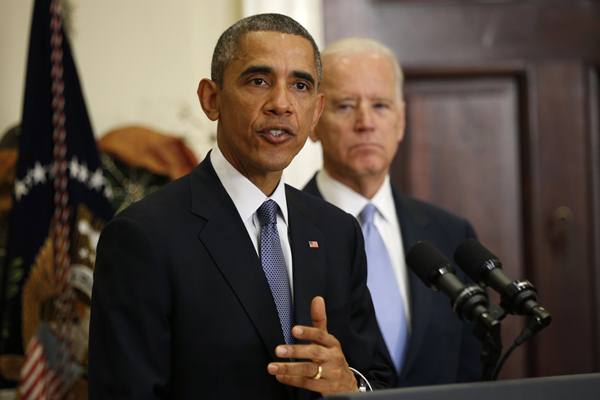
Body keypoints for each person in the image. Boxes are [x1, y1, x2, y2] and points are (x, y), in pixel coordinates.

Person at [89, 15, 396, 399]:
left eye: (299, 85)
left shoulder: (337, 232)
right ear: (211, 99)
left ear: (316, 111)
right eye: (259, 81)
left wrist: (350, 385)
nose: (281, 104)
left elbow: (380, 379)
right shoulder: (143, 235)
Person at [303, 38, 482, 387]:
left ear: (400, 122)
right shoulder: (281, 231)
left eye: (380, 106)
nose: (365, 123)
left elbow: (472, 367)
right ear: (314, 122)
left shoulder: (452, 235)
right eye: (345, 106)